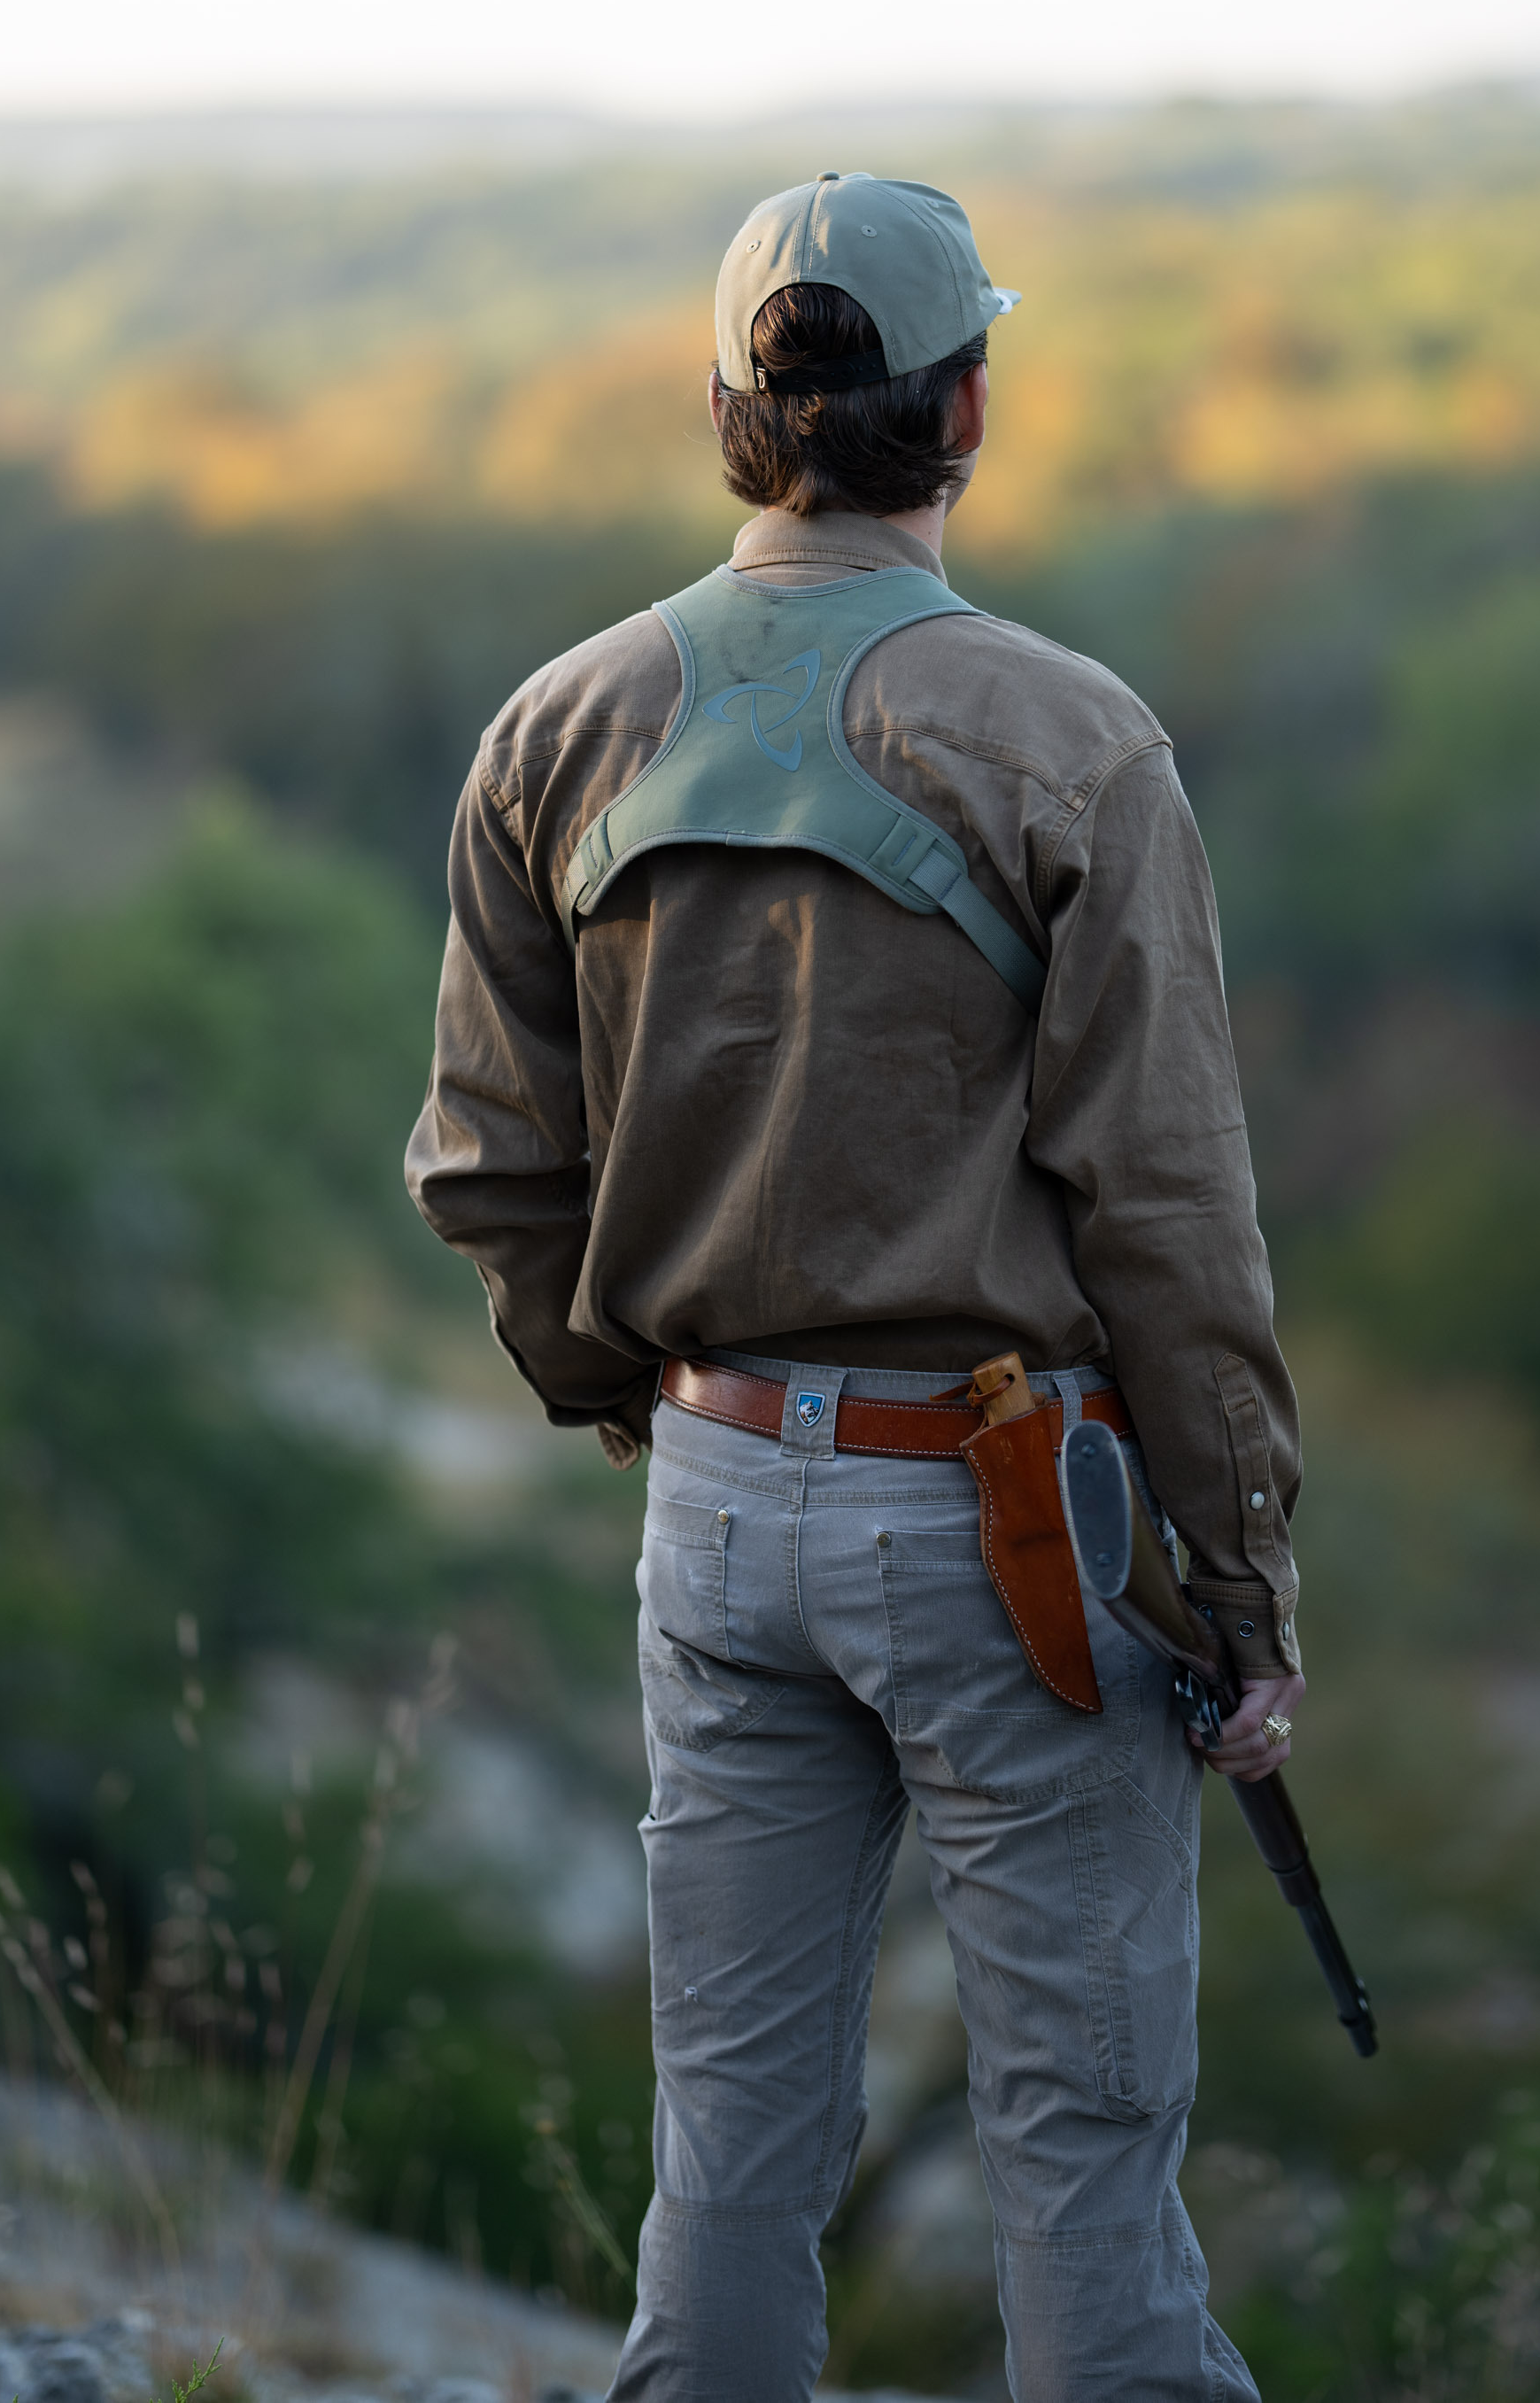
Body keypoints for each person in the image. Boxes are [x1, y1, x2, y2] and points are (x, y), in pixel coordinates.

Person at [406, 170, 1304, 2403]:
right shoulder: (1074, 741)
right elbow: (1170, 1217)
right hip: (1012, 1526)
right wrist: (1244, 1580)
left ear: (732, 410)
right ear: (965, 405)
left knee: (728, 2152)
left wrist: (636, 1394)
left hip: (715, 1502)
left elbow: (490, 1165)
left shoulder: (557, 724)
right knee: (1081, 2154)